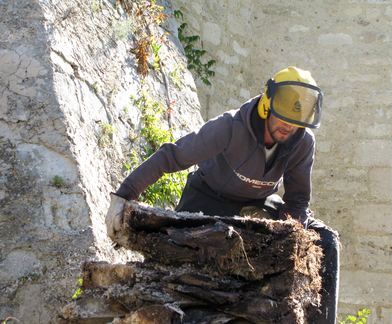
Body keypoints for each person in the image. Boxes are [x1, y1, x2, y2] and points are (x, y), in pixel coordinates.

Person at [106, 66, 340, 323]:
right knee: (193, 267)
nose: (287, 128)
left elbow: (297, 200)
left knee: (325, 240)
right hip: (208, 197)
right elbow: (173, 156)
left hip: (259, 203)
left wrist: (293, 232)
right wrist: (124, 195)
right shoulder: (230, 127)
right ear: (266, 104)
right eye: (282, 119)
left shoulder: (302, 143)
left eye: (295, 124)